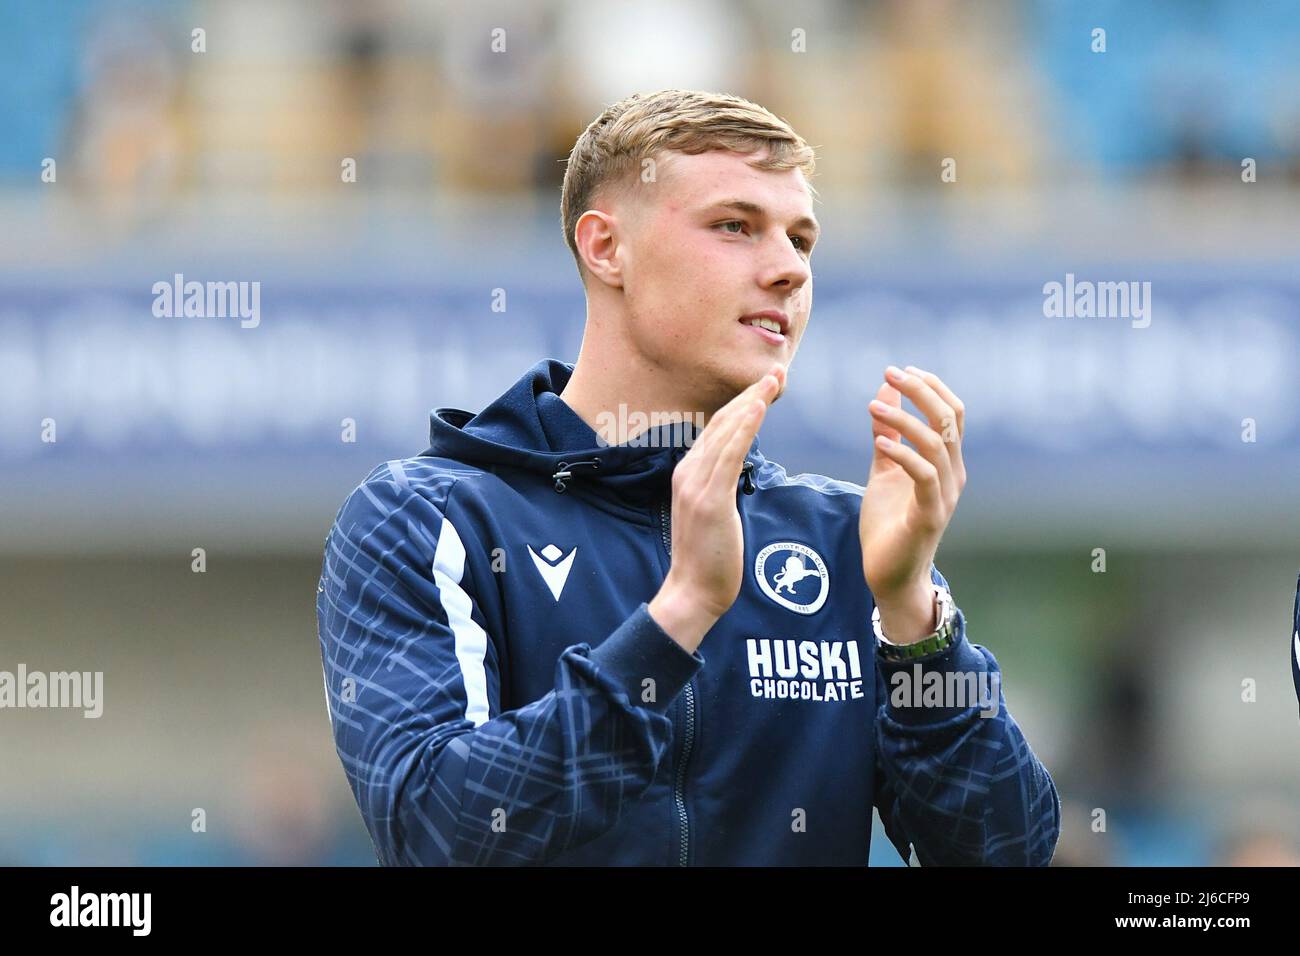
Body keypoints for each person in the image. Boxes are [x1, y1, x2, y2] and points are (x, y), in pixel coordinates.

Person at [315, 88, 1060, 866]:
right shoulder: (428, 518)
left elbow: (1005, 852)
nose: (787, 272)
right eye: (735, 227)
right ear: (606, 249)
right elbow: (440, 831)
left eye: (801, 241)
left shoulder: (848, 542)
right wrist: (677, 619)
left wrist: (916, 624)